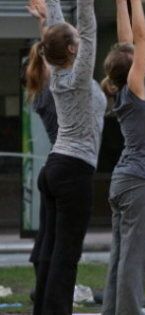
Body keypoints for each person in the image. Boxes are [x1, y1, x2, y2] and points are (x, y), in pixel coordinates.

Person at [25, 0, 106, 313]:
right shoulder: (78, 78)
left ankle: (44, 309)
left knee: (52, 248)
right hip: (73, 171)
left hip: (56, 169)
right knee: (66, 253)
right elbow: (87, 29)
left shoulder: (58, 71)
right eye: (75, 40)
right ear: (73, 50)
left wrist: (54, 6)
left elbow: (60, 30)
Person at [100, 0, 145, 313]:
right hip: (136, 181)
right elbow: (140, 39)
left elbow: (128, 40)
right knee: (134, 255)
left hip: (124, 179)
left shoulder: (128, 89)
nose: (141, 55)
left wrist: (120, 3)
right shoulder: (134, 88)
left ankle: (113, 310)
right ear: (132, 66)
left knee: (121, 253)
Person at [24, 0, 59, 278]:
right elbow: (52, 55)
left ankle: (40, 280)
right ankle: (47, 281)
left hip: (50, 169)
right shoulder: (52, 92)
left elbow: (46, 54)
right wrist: (45, 23)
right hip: (61, 167)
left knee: (47, 231)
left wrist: (42, 24)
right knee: (55, 234)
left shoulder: (38, 94)